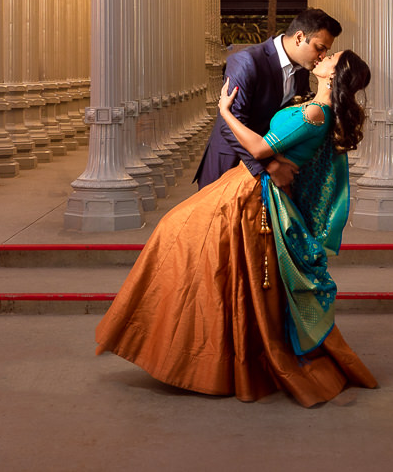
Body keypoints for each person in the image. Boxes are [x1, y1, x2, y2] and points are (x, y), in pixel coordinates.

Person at [96, 44, 377, 407]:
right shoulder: (316, 107)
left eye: (331, 59)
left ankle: (182, 348)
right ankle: (183, 345)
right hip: (249, 186)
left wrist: (225, 113)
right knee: (208, 257)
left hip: (248, 190)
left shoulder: (312, 112)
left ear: (334, 76)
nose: (323, 57)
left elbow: (260, 150)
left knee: (181, 237)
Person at [198, 9, 340, 191]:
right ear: (299, 38)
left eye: (326, 51)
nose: (322, 56)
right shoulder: (246, 62)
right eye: (320, 48)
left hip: (270, 169)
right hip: (230, 163)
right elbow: (229, 125)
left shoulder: (303, 70)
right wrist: (270, 165)